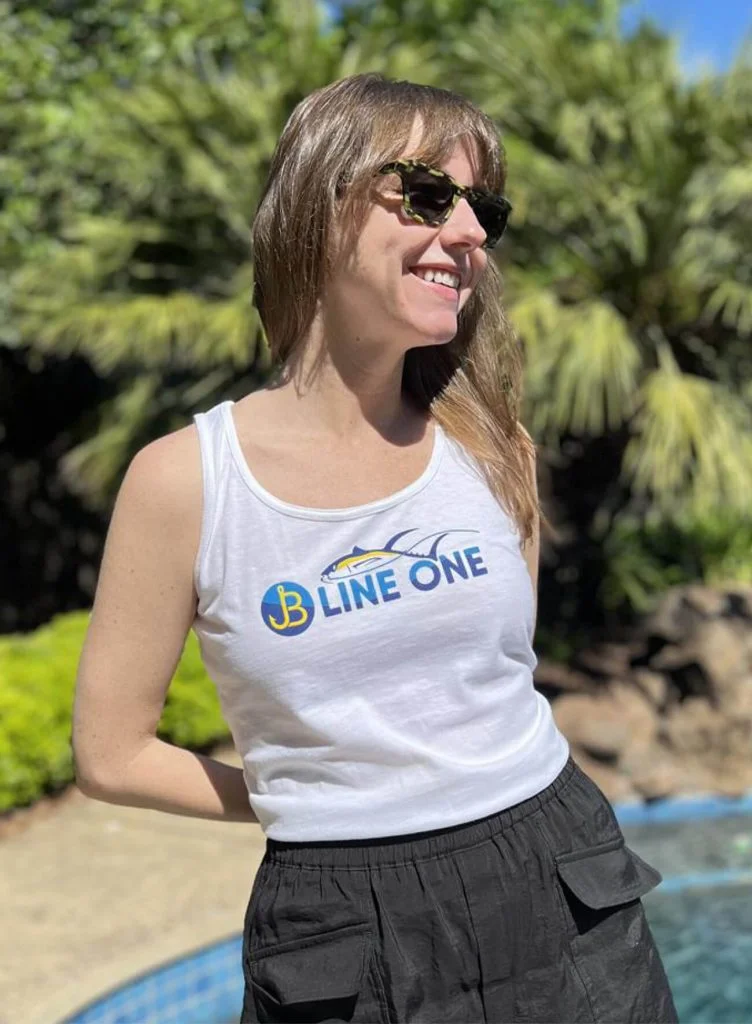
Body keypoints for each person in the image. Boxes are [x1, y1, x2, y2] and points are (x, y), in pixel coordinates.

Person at [72, 72, 678, 1023]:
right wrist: (310, 796)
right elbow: (110, 754)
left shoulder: (492, 445)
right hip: (340, 921)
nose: (471, 233)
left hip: (558, 871)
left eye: (484, 207)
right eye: (429, 195)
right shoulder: (186, 480)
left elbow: (499, 677)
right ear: (318, 203)